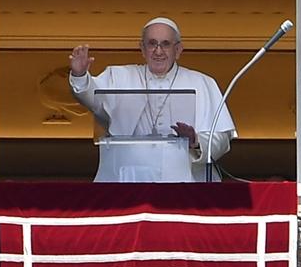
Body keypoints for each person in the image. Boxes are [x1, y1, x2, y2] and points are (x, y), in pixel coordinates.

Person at [69, 17, 236, 182]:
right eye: (152, 43)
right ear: (142, 48)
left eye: (165, 44)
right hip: (128, 179)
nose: (158, 51)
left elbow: (221, 137)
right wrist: (80, 75)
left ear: (178, 50)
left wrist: (196, 140)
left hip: (184, 181)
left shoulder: (202, 82)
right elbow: (92, 98)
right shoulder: (119, 76)